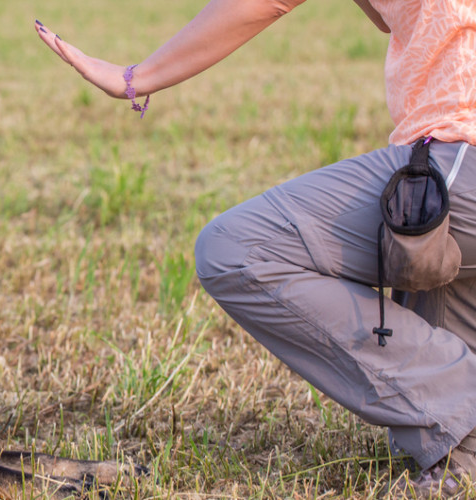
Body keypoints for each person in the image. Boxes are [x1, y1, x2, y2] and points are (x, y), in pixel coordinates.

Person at [35, 0, 476, 495]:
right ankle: (461, 451)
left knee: (236, 249)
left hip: (460, 150)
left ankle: (464, 398)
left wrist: (136, 77)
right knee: (425, 258)